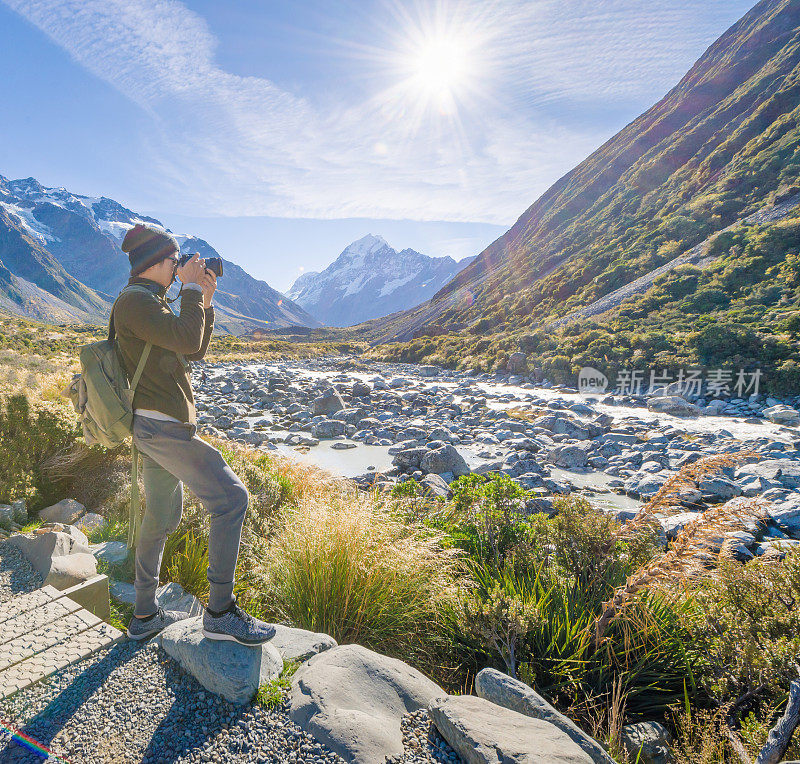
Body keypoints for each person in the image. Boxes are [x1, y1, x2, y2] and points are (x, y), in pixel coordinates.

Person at [114, 223, 276, 644]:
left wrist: (203, 298)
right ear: (154, 262)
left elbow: (193, 348)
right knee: (232, 499)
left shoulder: (148, 301)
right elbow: (187, 341)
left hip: (156, 426)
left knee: (161, 517)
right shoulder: (134, 304)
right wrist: (188, 291)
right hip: (162, 427)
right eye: (173, 260)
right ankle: (220, 611)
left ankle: (145, 615)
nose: (178, 266)